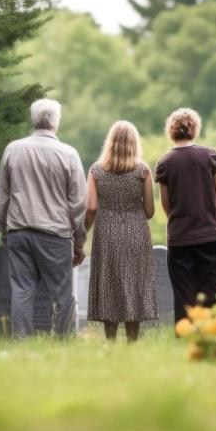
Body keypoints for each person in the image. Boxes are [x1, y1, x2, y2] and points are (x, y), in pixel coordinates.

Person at [0, 99, 87, 338]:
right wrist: (78, 241)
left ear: (34, 120)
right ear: (56, 123)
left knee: (22, 290)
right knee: (62, 294)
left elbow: (2, 198)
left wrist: (5, 231)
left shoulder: (13, 150)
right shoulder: (68, 153)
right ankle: (64, 342)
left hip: (19, 231)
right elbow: (78, 204)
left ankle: (21, 343)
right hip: (54, 234)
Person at [85, 121, 158, 342]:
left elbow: (91, 207)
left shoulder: (96, 170)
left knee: (109, 283)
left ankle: (110, 342)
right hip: (136, 230)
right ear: (134, 142)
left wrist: (81, 233)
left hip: (106, 230)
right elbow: (150, 211)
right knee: (134, 283)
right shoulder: (143, 170)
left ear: (110, 143)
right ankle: (133, 342)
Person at [155, 108, 216, 325]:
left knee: (184, 294)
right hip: (209, 234)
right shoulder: (210, 155)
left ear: (171, 130)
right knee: (213, 294)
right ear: (195, 129)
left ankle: (186, 336)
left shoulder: (165, 162)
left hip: (179, 237)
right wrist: (211, 214)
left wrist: (175, 219)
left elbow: (165, 202)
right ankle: (213, 336)